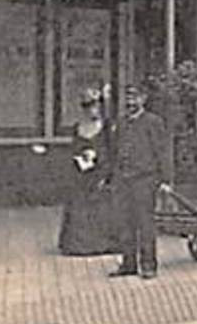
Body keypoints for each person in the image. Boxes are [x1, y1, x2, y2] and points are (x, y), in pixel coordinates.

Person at [110, 84, 172, 279]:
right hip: (123, 180)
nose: (130, 101)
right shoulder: (121, 122)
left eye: (135, 97)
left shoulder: (153, 122)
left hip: (145, 180)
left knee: (145, 223)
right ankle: (128, 264)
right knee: (124, 223)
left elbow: (162, 151)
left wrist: (165, 179)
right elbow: (116, 150)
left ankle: (148, 265)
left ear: (143, 99)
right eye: (128, 97)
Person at [56, 86, 117, 256]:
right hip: (82, 173)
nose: (93, 110)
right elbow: (73, 149)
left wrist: (107, 172)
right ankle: (79, 244)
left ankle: (103, 243)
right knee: (79, 205)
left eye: (96, 106)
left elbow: (113, 151)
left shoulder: (107, 127)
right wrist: (81, 157)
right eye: (89, 107)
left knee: (101, 205)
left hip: (101, 173)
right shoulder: (78, 128)